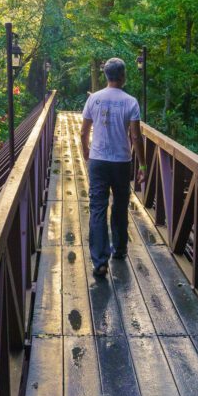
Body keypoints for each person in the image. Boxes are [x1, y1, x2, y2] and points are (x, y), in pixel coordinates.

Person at [81, 57, 144, 278]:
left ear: (106, 76)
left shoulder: (94, 99)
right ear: (123, 76)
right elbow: (135, 136)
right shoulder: (131, 102)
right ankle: (119, 249)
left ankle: (99, 261)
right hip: (121, 162)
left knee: (98, 207)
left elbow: (84, 130)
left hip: (98, 161)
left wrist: (86, 151)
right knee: (119, 205)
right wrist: (142, 164)